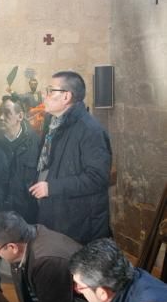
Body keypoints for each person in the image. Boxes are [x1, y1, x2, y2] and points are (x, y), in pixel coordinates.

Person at [29, 70, 112, 244]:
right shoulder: (52, 124)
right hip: (55, 213)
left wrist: (52, 187)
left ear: (66, 96)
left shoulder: (90, 130)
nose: (45, 96)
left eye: (50, 90)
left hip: (78, 223)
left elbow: (97, 178)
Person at [0, 95, 39, 292]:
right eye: (0, 113)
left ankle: (28, 290)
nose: (1, 117)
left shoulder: (35, 141)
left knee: (25, 251)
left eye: (7, 113)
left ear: (20, 116)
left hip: (24, 207)